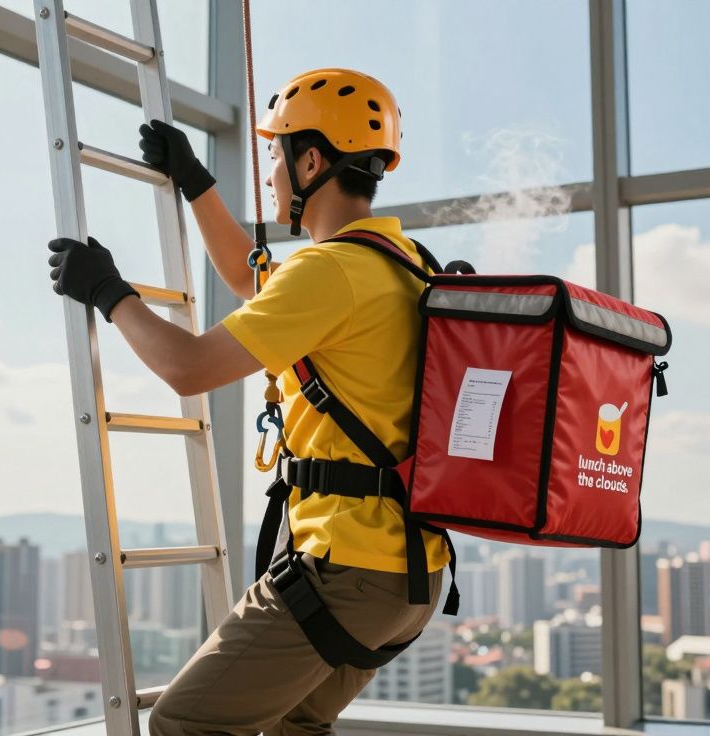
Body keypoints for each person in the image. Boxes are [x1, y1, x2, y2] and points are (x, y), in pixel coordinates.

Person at [47, 68, 449, 736]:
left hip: (346, 568)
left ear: (312, 160)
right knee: (295, 726)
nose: (270, 173)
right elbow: (248, 276)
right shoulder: (402, 260)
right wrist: (194, 181)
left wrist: (108, 293)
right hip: (411, 575)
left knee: (184, 723)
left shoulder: (329, 272)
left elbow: (189, 367)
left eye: (275, 154)